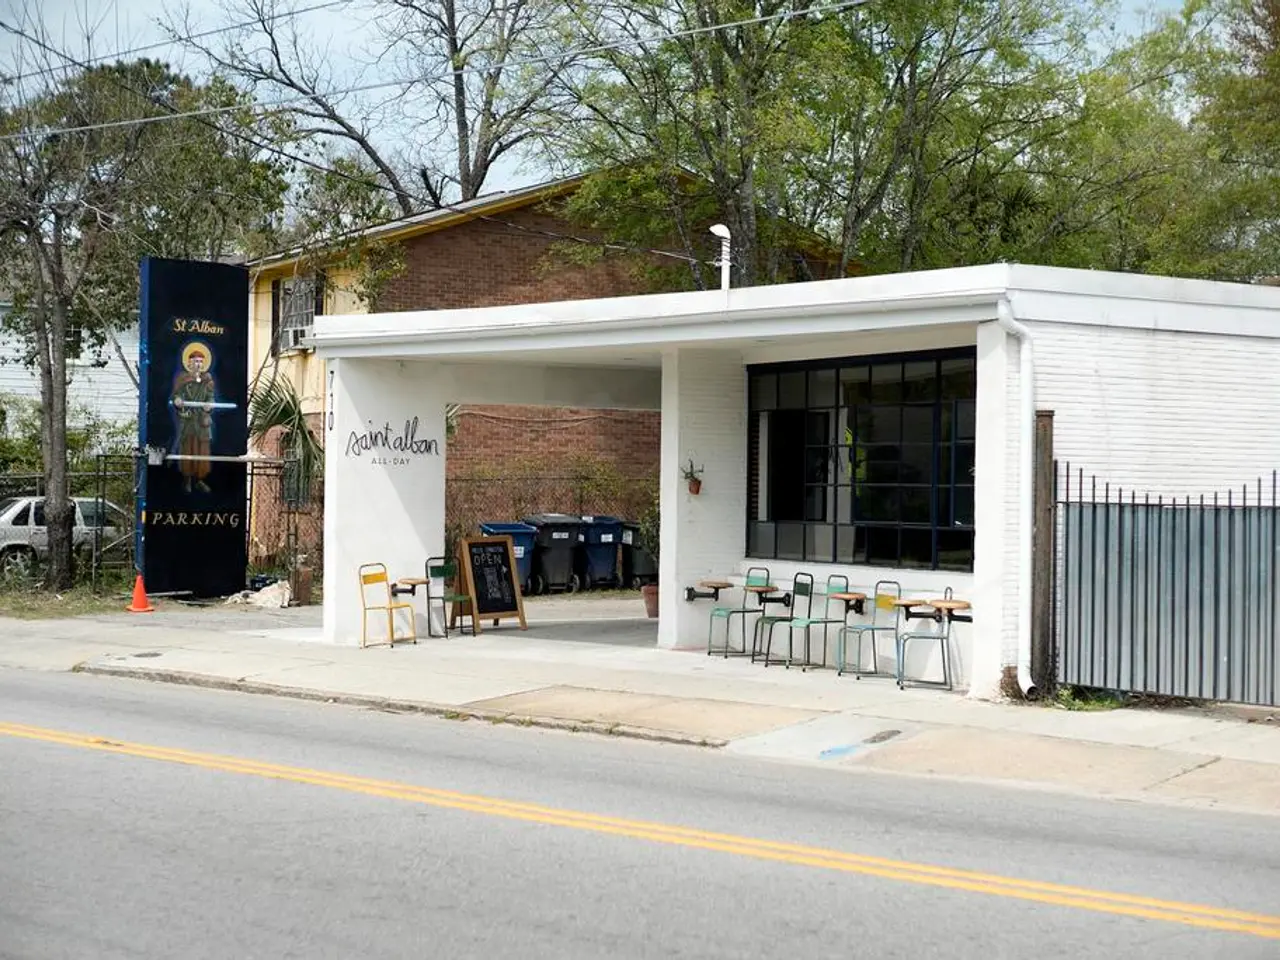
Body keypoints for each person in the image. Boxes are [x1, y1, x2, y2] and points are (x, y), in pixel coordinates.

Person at [171, 342, 217, 494]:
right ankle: (187, 480)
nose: (198, 364)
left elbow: (210, 397)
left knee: (202, 453)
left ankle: (200, 480)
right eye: (195, 361)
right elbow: (177, 395)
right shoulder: (183, 378)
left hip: (202, 422)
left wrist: (209, 405)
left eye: (200, 361)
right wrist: (178, 401)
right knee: (188, 451)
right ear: (189, 362)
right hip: (188, 420)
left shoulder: (207, 380)